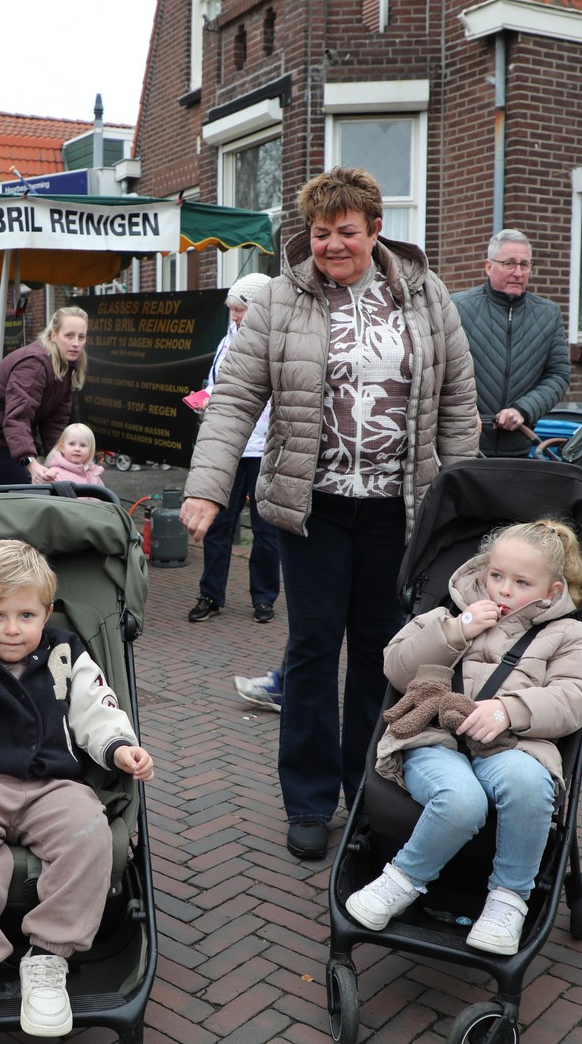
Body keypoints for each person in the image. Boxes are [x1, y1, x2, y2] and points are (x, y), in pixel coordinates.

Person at [181, 166, 477, 861]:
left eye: (346, 231)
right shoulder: (281, 300)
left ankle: (370, 791)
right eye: (321, 233)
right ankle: (309, 800)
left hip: (397, 511)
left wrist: (463, 503)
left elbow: (459, 401)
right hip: (310, 509)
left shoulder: (425, 295)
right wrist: (207, 487)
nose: (333, 245)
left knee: (384, 654)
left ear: (376, 231)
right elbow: (235, 398)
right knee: (312, 650)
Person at [0, 539, 156, 1044]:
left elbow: (96, 711)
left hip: (53, 783)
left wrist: (120, 747)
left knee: (90, 832)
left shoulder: (66, 653)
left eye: (26, 615)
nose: (12, 629)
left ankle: (48, 958)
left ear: (47, 611)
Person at [344, 520, 582, 953]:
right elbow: (396, 669)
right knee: (461, 799)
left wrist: (510, 710)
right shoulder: (446, 615)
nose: (504, 590)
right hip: (435, 740)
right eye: (496, 575)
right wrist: (456, 631)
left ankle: (507, 900)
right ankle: (401, 880)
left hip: (513, 746)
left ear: (552, 591)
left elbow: (578, 696)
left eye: (521, 582)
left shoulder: (569, 636)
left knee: (529, 784)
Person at [189, 272, 281, 630]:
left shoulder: (278, 341)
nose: (235, 317)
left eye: (240, 309)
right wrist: (206, 400)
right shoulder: (227, 340)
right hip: (230, 449)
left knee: (265, 530)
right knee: (219, 527)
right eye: (232, 310)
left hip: (265, 448)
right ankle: (210, 595)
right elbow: (218, 385)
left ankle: (264, 597)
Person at [452, 229, 570, 457]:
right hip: (464, 447)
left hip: (519, 448)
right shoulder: (457, 308)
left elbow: (558, 376)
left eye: (524, 265)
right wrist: (462, 410)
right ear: (489, 266)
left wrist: (522, 410)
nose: (518, 272)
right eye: (509, 264)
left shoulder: (548, 314)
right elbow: (440, 370)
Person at [0, 306, 88, 485]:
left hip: (13, 434)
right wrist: (31, 463)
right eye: (69, 335)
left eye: (81, 337)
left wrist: (61, 461)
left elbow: (56, 421)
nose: (76, 343)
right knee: (17, 494)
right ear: (53, 335)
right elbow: (18, 417)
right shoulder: (34, 365)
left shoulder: (67, 366)